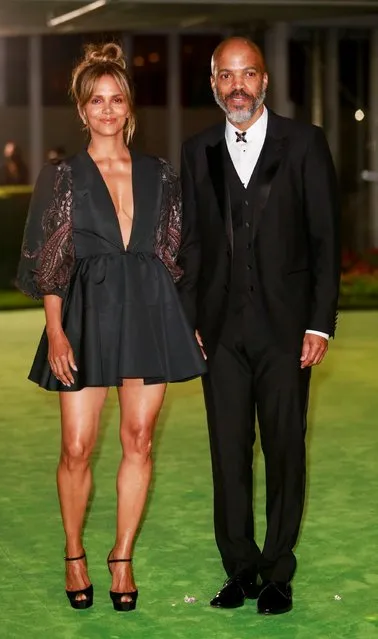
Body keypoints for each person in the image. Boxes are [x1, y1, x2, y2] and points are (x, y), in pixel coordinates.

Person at [16, 42, 206, 612]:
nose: (106, 109)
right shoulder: (62, 177)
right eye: (95, 100)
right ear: (81, 109)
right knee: (77, 446)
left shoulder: (161, 173)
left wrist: (186, 323)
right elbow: (50, 260)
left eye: (115, 98)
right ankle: (74, 551)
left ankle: (120, 556)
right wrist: (55, 330)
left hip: (150, 311)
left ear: (129, 108)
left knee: (139, 440)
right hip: (85, 314)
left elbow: (176, 254)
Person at [178, 37, 340, 615]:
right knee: (227, 454)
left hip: (287, 332)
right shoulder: (196, 150)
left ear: (265, 81)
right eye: (226, 75)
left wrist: (320, 323)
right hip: (219, 335)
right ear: (214, 83)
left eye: (248, 74)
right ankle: (240, 567)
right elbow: (191, 245)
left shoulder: (304, 144)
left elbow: (325, 241)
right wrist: (190, 318)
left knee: (284, 450)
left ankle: (278, 571)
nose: (237, 85)